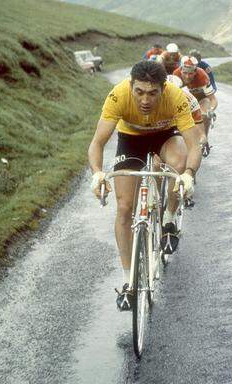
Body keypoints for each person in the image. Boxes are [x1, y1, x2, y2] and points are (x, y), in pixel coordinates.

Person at [88, 61, 203, 310]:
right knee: (124, 207)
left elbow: (194, 145)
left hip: (165, 134)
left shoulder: (176, 96)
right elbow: (97, 142)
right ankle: (128, 282)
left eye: (152, 93)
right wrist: (97, 173)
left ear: (163, 89)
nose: (145, 100)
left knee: (179, 163)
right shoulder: (118, 95)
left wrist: (189, 175)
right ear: (131, 86)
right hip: (131, 140)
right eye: (139, 92)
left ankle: (169, 219)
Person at [173, 56, 217, 156]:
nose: (187, 76)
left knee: (204, 115)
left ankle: (204, 139)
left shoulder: (202, 75)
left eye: (191, 73)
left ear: (195, 72)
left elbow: (213, 99)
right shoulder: (176, 74)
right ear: (181, 70)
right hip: (185, 100)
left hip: (201, 99)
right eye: (185, 73)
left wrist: (211, 110)